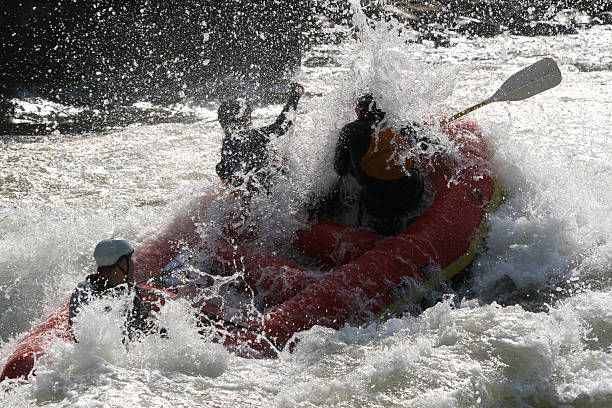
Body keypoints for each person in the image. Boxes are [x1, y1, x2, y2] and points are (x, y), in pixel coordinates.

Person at [333, 93, 427, 236]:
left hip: (378, 203)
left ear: (358, 110)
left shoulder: (350, 130)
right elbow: (430, 145)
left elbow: (339, 168)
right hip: (412, 192)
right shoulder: (398, 124)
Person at [215, 82, 305, 195]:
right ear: (243, 119)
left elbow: (226, 172)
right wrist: (295, 97)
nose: (250, 120)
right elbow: (282, 126)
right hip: (261, 192)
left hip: (240, 192)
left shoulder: (227, 143)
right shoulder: (248, 137)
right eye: (248, 116)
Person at [69, 238, 156, 343]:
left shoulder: (83, 289)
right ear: (123, 263)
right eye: (130, 260)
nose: (133, 264)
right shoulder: (129, 297)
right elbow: (149, 334)